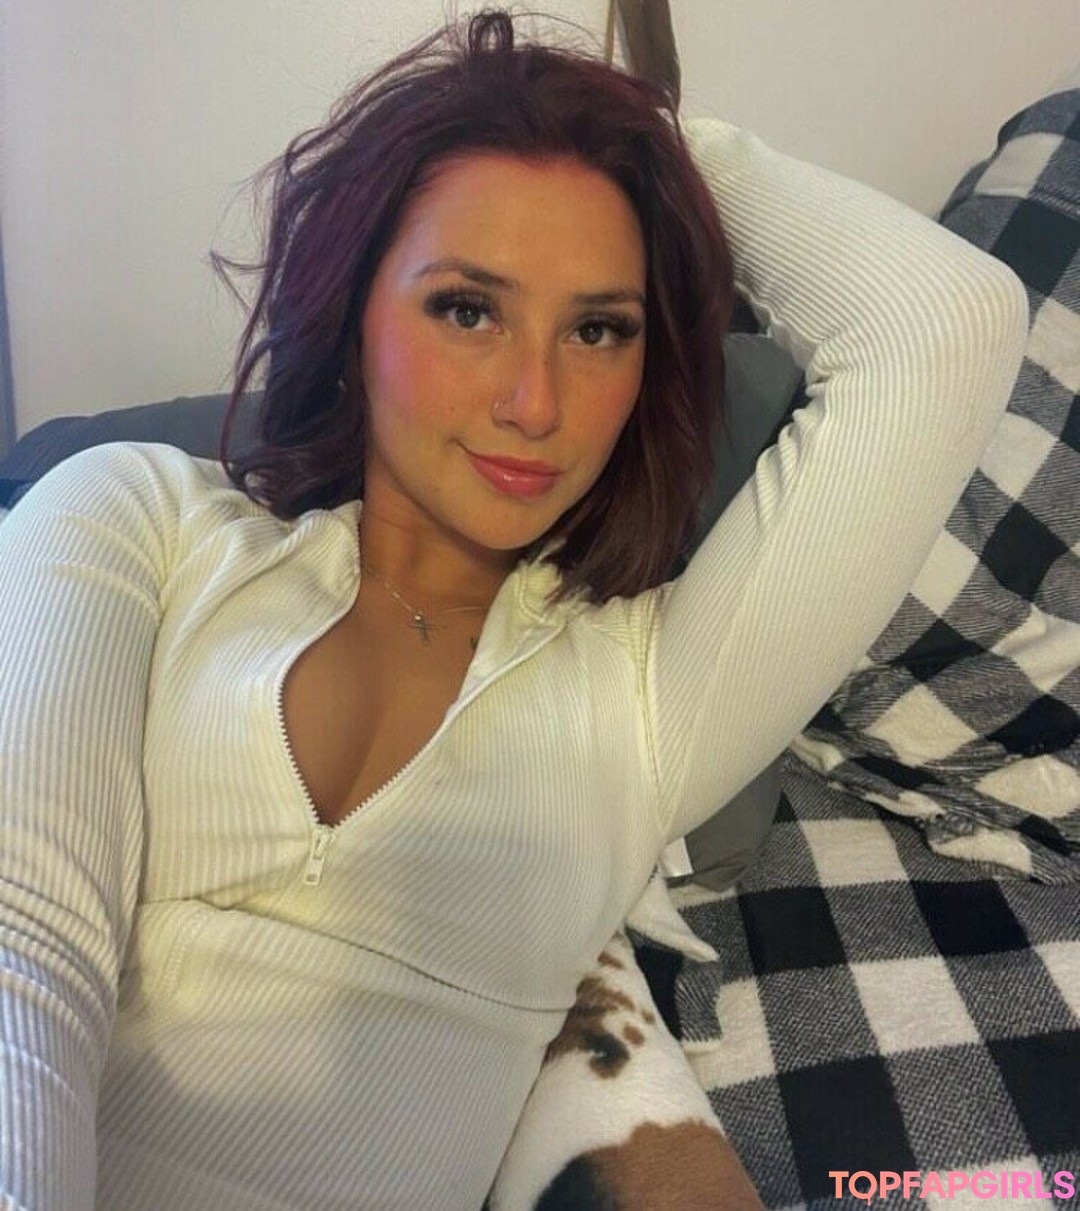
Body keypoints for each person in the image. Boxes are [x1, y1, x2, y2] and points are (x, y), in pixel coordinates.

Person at [0, 10, 1026, 1210]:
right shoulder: (140, 514)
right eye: (468, 308)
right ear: (353, 312)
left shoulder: (645, 697)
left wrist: (656, 143)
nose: (536, 402)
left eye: (598, 328)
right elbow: (25, 940)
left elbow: (946, 323)